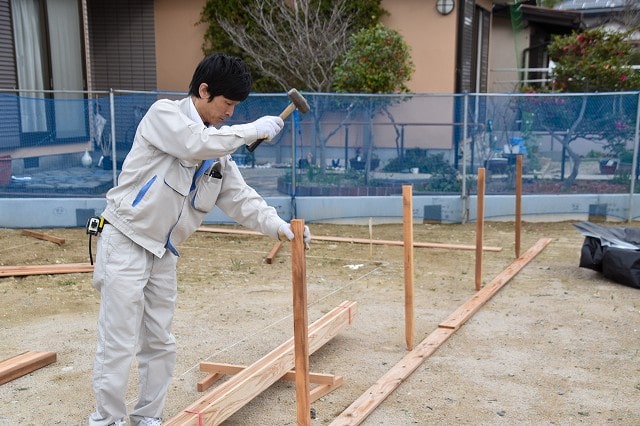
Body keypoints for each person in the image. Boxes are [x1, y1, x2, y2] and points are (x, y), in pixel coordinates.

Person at [88, 53, 310, 426]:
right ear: (203, 91)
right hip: (126, 240)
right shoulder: (166, 117)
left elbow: (241, 199)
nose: (230, 113)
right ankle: (107, 421)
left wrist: (281, 227)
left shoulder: (219, 155)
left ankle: (148, 418)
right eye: (227, 104)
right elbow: (195, 144)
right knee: (118, 343)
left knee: (160, 342)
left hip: (163, 252)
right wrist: (253, 129)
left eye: (237, 107)